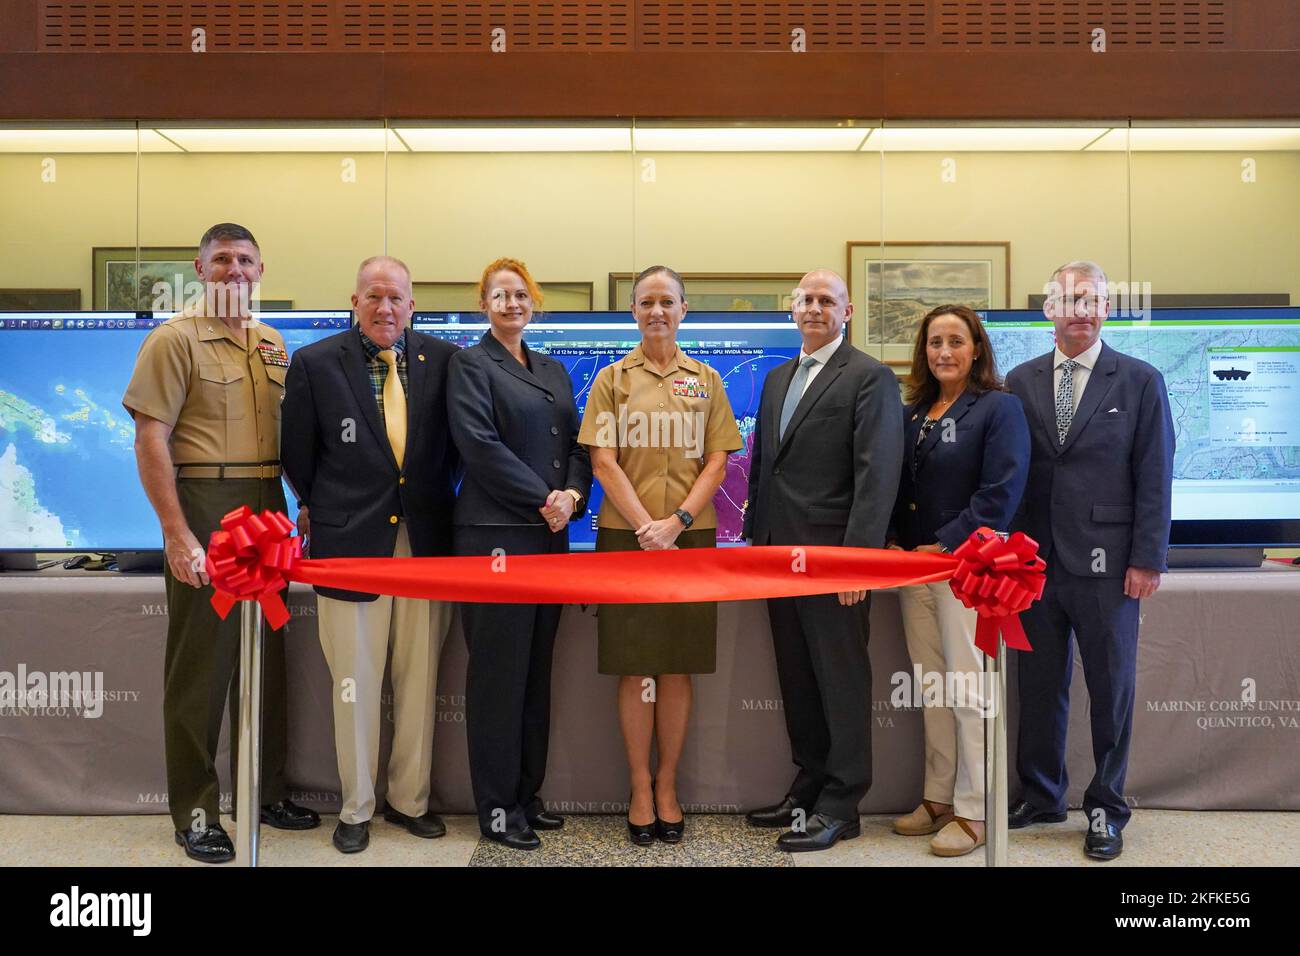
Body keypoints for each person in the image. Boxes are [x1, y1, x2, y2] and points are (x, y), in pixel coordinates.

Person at [123, 222, 320, 863]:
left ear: (261, 270)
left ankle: (264, 793)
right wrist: (176, 535)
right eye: (222, 260)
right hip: (206, 506)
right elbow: (151, 438)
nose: (235, 270)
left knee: (266, 659)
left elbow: (283, 438)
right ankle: (199, 811)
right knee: (203, 669)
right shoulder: (173, 340)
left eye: (246, 260)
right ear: (200, 269)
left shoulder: (272, 343)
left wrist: (305, 498)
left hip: (268, 508)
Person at [280, 255, 459, 854]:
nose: (386, 309)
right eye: (374, 297)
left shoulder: (444, 361)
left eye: (397, 299)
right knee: (354, 681)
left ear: (412, 306)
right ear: (354, 302)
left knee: (419, 679)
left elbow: (454, 453)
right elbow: (299, 458)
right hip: (350, 545)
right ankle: (355, 807)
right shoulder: (315, 364)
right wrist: (328, 507)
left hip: (425, 546)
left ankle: (410, 802)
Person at [1005, 260, 1174, 861]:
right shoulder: (1019, 381)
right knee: (1040, 686)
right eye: (1068, 299)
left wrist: (1147, 557)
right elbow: (1010, 473)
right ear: (1049, 309)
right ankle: (1042, 795)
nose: (1080, 309)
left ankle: (1106, 806)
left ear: (1106, 308)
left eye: (1092, 298)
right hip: (1034, 565)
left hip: (1111, 565)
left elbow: (1154, 476)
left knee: (1111, 689)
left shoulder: (1140, 381)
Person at [577, 265, 743, 846]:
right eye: (646, 302)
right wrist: (649, 525)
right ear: (633, 313)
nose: (656, 312)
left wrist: (678, 523)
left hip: (690, 541)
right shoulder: (610, 381)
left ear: (684, 309)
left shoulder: (709, 379)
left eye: (666, 302)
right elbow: (603, 461)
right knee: (633, 666)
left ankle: (668, 784)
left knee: (676, 665)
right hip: (626, 539)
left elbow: (718, 461)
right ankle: (639, 786)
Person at [742, 269, 904, 852]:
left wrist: (857, 563)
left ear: (847, 310)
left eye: (826, 300)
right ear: (792, 310)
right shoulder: (777, 377)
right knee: (797, 676)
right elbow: (766, 465)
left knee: (840, 679)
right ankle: (807, 786)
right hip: (776, 557)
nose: (814, 308)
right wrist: (753, 541)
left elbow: (877, 474)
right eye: (806, 300)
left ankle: (843, 802)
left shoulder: (870, 377)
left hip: (835, 563)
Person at [446, 258, 592, 851]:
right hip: (494, 540)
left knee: (534, 674)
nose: (511, 303)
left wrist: (573, 497)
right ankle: (498, 808)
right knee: (497, 679)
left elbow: (578, 445)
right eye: (499, 295)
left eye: (520, 294)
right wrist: (545, 499)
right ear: (484, 303)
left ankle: (528, 796)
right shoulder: (469, 365)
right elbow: (478, 446)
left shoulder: (554, 369)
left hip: (549, 539)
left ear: (533, 303)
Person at [887, 304, 1029, 857]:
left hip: (966, 568)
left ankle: (976, 811)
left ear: (976, 349)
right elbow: (899, 487)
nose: (944, 352)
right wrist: (897, 540)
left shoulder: (999, 408)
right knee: (933, 689)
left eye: (955, 341)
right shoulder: (913, 412)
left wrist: (946, 541)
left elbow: (1002, 491)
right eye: (934, 342)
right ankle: (939, 798)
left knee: (969, 691)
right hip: (912, 569)